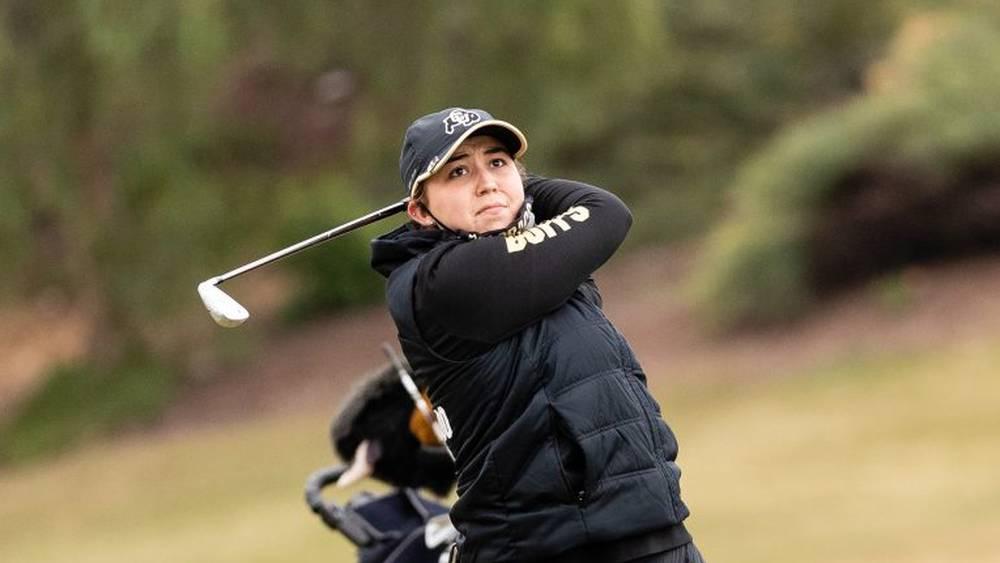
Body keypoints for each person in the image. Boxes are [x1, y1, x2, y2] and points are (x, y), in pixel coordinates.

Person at [371, 107, 704, 563]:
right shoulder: (440, 283)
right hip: (550, 547)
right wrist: (516, 188)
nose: (486, 182)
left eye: (498, 161)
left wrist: (510, 189)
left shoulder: (539, 259)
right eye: (458, 172)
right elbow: (606, 212)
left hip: (650, 530)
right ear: (419, 211)